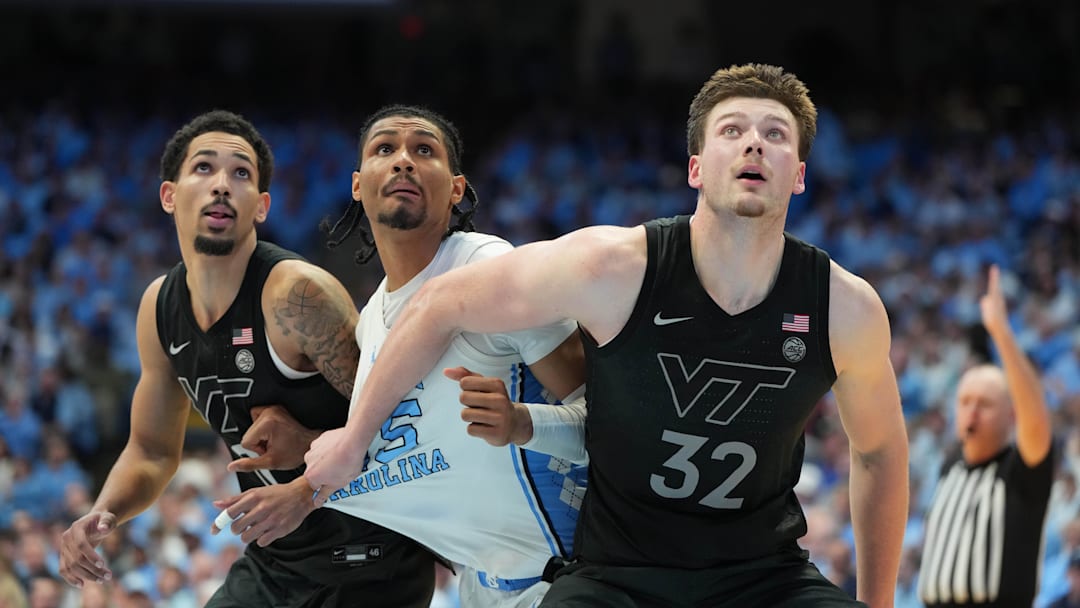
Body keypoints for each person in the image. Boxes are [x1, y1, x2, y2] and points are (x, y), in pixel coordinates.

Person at [304, 63, 910, 607]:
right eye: (732, 130)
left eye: (775, 134)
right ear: (696, 167)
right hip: (618, 575)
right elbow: (439, 302)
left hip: (764, 575)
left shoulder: (843, 306)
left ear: (798, 175)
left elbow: (880, 451)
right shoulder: (616, 267)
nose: (754, 141)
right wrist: (354, 438)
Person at [56, 110, 435, 607]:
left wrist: (307, 460)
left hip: (375, 561)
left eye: (240, 174)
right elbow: (150, 450)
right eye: (204, 169)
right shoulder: (159, 308)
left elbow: (414, 428)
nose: (221, 186)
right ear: (169, 196)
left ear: (261, 205)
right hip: (277, 562)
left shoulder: (298, 297)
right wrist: (103, 512)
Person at [222, 104, 589, 608]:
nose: (403, 161)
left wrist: (522, 422)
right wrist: (307, 453)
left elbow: (609, 428)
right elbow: (412, 454)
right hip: (481, 590)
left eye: (423, 150)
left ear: (457, 188)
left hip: (570, 578)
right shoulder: (372, 322)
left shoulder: (490, 268)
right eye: (384, 149)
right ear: (356, 184)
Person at [918, 265, 1053, 608]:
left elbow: (1036, 420)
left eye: (985, 404)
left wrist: (1002, 334)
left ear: (1011, 414)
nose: (971, 412)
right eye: (964, 402)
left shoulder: (1021, 471)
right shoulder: (950, 464)